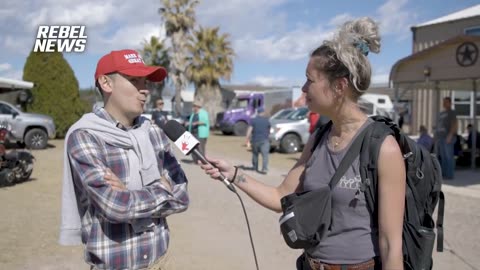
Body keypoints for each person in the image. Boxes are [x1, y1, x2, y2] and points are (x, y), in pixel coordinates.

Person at [199, 17, 405, 270]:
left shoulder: (383, 147)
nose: (304, 89)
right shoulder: (319, 138)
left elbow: (391, 245)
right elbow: (280, 196)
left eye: (310, 80)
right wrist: (234, 174)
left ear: (339, 86)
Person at [59, 49, 190, 270]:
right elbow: (115, 206)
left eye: (145, 81)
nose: (145, 90)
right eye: (133, 80)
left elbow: (183, 196)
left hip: (161, 262)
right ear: (106, 83)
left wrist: (129, 194)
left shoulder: (154, 132)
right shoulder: (85, 136)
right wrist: (162, 188)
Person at [434, 97, 458, 180]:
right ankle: (444, 174)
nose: (444, 103)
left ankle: (449, 175)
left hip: (448, 137)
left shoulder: (452, 112)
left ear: (450, 103)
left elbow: (454, 124)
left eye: (446, 102)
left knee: (449, 157)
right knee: (443, 157)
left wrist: (450, 135)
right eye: (443, 102)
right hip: (440, 137)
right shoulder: (441, 113)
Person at [245, 107, 270, 174]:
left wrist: (247, 138)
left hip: (255, 140)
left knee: (255, 154)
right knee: (265, 155)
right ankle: (264, 169)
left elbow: (249, 130)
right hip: (265, 140)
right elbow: (269, 130)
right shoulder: (267, 120)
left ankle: (255, 167)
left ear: (257, 112)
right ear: (263, 112)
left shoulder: (253, 120)